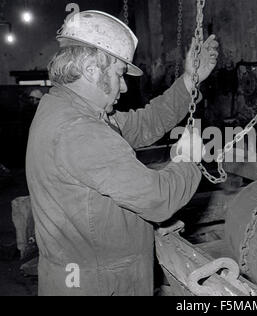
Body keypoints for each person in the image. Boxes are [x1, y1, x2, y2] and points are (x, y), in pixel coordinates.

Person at [26, 10, 219, 296]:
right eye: (119, 74)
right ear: (92, 70)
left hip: (80, 273)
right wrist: (188, 159)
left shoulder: (66, 108)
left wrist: (190, 81)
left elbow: (145, 123)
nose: (124, 86)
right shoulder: (79, 130)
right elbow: (158, 199)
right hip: (98, 284)